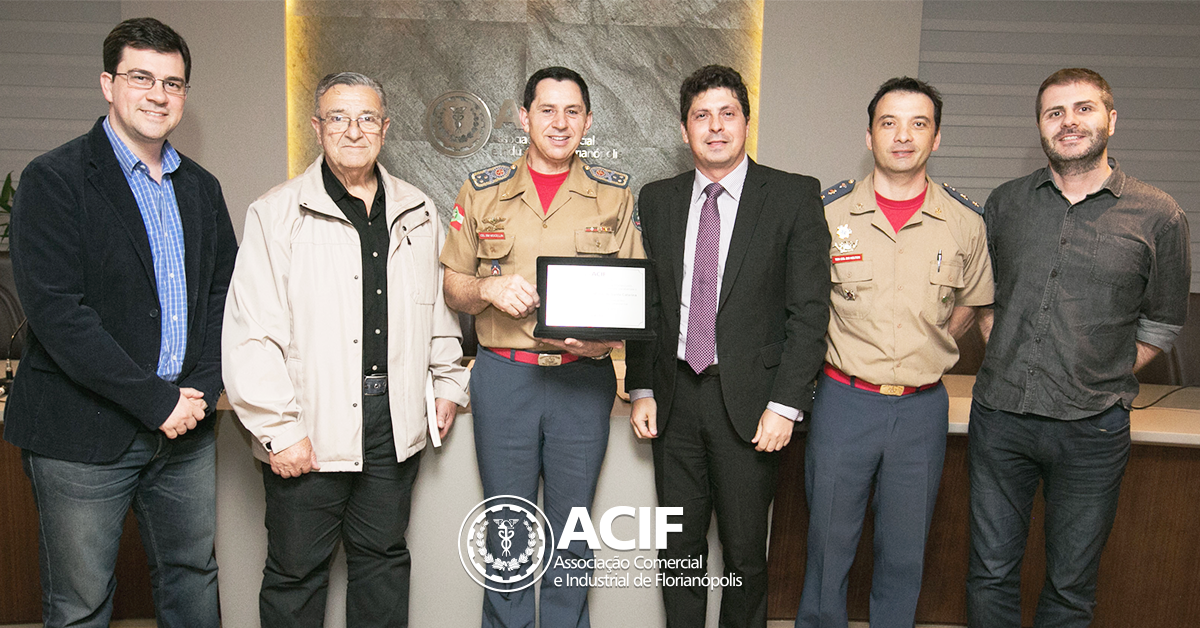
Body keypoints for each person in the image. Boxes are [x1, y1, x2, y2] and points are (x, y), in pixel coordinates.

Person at [3, 17, 235, 628]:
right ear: (109, 84)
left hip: (185, 432)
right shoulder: (54, 180)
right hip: (83, 436)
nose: (159, 94)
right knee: (81, 604)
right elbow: (58, 314)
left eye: (173, 83)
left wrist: (200, 394)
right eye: (141, 77)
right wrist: (155, 400)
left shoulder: (202, 190)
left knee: (193, 583)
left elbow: (222, 298)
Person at [222, 71, 470, 628]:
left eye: (365, 119)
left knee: (382, 566)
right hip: (310, 422)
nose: (352, 131)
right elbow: (249, 331)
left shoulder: (418, 208)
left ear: (384, 128)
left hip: (392, 423)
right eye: (338, 118)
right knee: (295, 575)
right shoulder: (276, 213)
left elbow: (434, 309)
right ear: (317, 128)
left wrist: (448, 382)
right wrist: (279, 430)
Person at [967, 68, 1191, 628]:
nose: (1069, 122)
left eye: (1083, 109)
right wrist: (1004, 352)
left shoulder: (1159, 214)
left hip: (1093, 428)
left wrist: (1105, 372)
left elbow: (1163, 321)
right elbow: (984, 298)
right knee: (989, 573)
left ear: (1111, 119)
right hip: (1000, 420)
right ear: (1040, 127)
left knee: (1071, 586)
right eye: (1054, 112)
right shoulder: (1005, 204)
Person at [625, 64, 830, 628]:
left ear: (745, 120)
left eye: (727, 114)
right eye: (701, 116)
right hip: (675, 399)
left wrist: (786, 404)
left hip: (752, 404)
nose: (715, 127)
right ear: (685, 128)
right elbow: (652, 304)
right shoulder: (659, 198)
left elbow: (809, 313)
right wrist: (641, 386)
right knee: (678, 554)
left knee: (744, 555)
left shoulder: (792, 195)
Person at [440, 66, 643, 628]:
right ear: (524, 116)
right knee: (508, 528)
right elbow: (453, 283)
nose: (559, 122)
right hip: (506, 377)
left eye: (572, 111)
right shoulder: (482, 190)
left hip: (583, 378)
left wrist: (603, 338)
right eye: (546, 110)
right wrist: (487, 287)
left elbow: (637, 292)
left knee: (572, 530)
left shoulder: (615, 194)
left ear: (588, 120)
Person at [794, 77, 994, 628]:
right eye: (889, 123)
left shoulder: (966, 223)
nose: (902, 136)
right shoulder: (825, 214)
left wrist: (917, 347)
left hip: (921, 409)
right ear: (868, 135)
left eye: (918, 123)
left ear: (937, 139)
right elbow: (804, 307)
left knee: (905, 554)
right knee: (828, 547)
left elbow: (967, 312)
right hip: (843, 401)